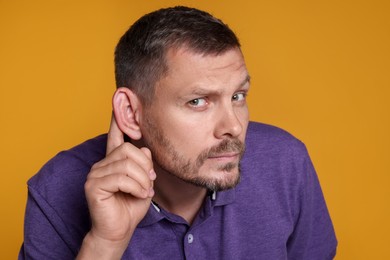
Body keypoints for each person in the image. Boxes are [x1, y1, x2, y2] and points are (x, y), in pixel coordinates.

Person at [19, 6, 337, 259]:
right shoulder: (57, 189)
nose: (234, 127)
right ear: (131, 113)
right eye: (198, 101)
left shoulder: (286, 163)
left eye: (238, 96)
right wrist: (105, 244)